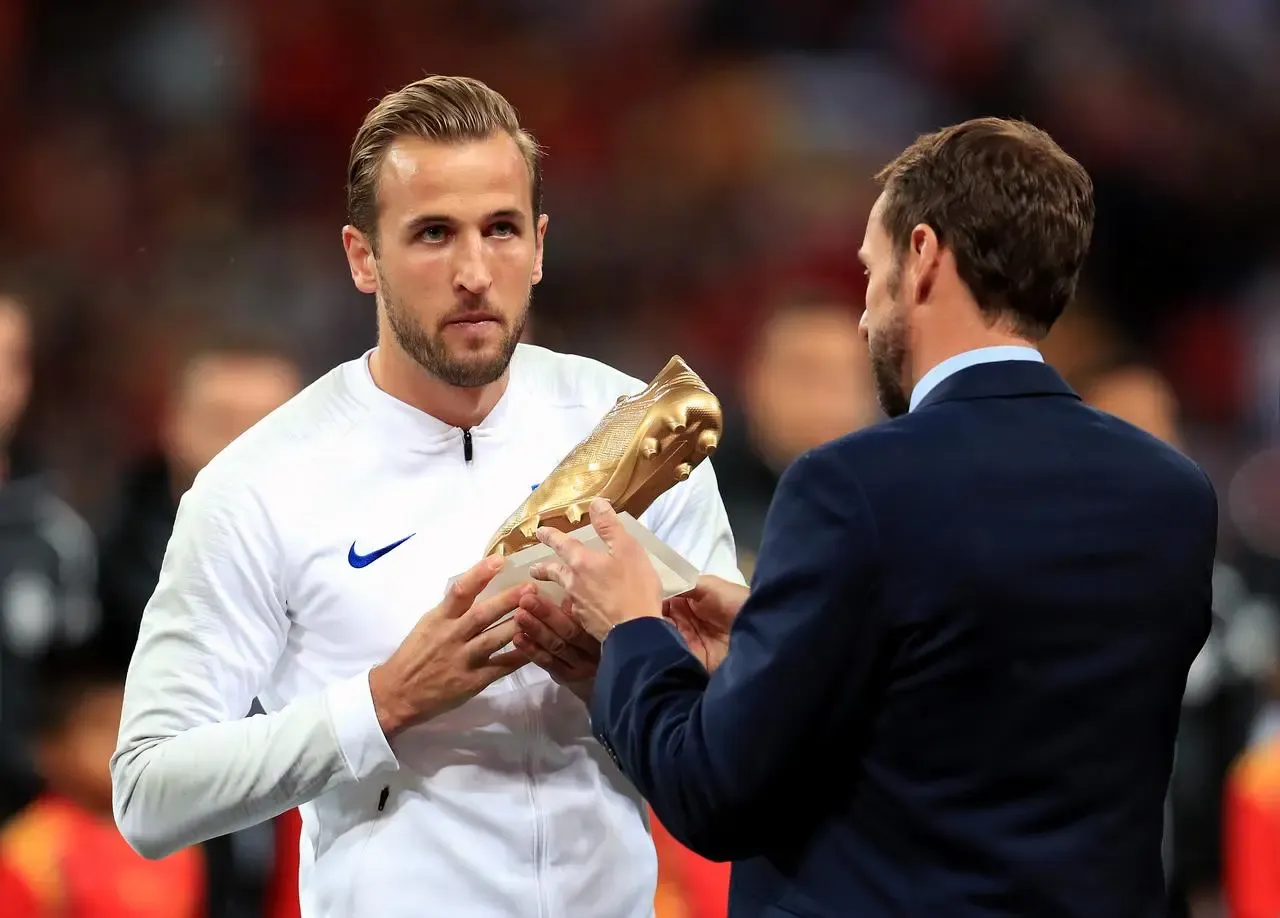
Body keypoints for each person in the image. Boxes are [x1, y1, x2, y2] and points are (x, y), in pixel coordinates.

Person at [526, 118, 1218, 917]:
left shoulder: (852, 485)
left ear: (921, 256)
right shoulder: (1174, 495)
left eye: (869, 270)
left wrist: (631, 632)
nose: (862, 315)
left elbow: (711, 792)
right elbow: (986, 700)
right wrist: (778, 642)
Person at [109, 74, 741, 918]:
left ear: (542, 245)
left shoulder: (635, 434)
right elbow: (149, 792)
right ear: (362, 257)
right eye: (434, 234)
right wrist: (386, 701)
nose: (476, 272)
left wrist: (628, 680)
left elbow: (728, 755)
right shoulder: (260, 482)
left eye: (502, 230)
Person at [0, 648, 204, 916]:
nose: (121, 745)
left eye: (133, 729)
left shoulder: (178, 842)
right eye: (101, 727)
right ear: (50, 750)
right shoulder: (32, 851)